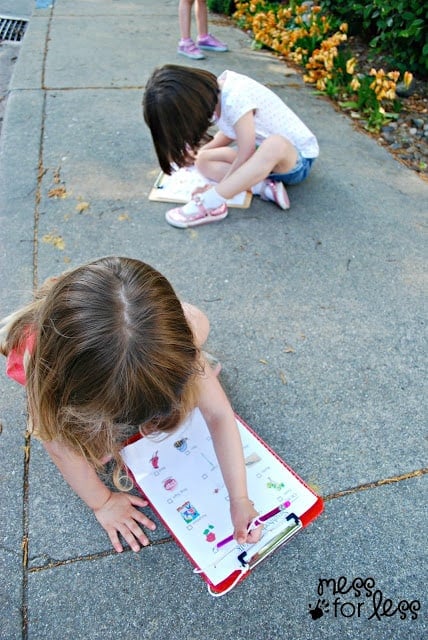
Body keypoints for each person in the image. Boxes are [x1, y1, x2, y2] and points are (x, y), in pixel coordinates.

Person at [0, 256, 261, 553]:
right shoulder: (48, 377)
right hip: (61, 361)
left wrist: (240, 498)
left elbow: (218, 414)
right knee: (80, 442)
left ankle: (178, 374)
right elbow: (58, 445)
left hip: (132, 335)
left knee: (199, 322)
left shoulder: (173, 342)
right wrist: (103, 503)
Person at [143, 65, 319, 229]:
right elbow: (229, 132)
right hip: (260, 159)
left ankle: (210, 202)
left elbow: (246, 152)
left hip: (296, 161)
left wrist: (217, 189)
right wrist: (199, 154)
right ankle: (263, 187)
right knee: (202, 160)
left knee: (275, 144)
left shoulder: (235, 97)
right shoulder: (216, 96)